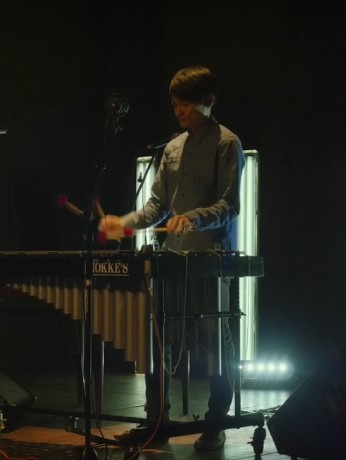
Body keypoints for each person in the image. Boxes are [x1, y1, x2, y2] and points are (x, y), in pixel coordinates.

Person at [99, 66, 244, 451]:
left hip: (210, 259)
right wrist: (124, 223)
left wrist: (195, 217)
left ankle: (216, 423)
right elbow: (156, 207)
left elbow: (231, 204)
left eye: (186, 104)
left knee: (214, 345)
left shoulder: (227, 143)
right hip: (171, 260)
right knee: (157, 342)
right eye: (175, 104)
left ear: (208, 101)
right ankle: (156, 422)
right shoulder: (172, 148)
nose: (179, 110)